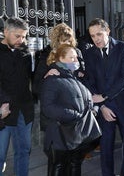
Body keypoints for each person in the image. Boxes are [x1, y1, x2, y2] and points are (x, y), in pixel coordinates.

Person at [82, 18, 124, 176]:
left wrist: (104, 96)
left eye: (99, 34)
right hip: (105, 108)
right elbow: (89, 80)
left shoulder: (123, 47)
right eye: (93, 36)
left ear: (108, 31)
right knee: (106, 146)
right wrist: (102, 106)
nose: (96, 39)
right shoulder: (89, 53)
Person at [40, 44, 100, 176]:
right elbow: (48, 107)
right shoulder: (52, 79)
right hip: (59, 133)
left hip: (75, 133)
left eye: (76, 58)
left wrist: (92, 109)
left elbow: (85, 98)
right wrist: (75, 115)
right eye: (71, 58)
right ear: (61, 59)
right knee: (59, 166)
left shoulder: (75, 78)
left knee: (75, 163)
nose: (76, 61)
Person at [33, 23, 85, 131]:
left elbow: (85, 78)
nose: (67, 44)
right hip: (55, 115)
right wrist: (46, 76)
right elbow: (36, 87)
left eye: (70, 41)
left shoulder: (77, 53)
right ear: (56, 41)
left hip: (75, 110)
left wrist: (81, 74)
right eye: (64, 40)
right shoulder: (45, 56)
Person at [0, 17, 35, 176]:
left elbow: (31, 77)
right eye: (17, 36)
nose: (21, 40)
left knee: (24, 151)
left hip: (24, 110)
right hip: (3, 111)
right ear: (5, 32)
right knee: (0, 154)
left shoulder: (26, 51)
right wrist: (4, 101)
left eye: (24, 36)